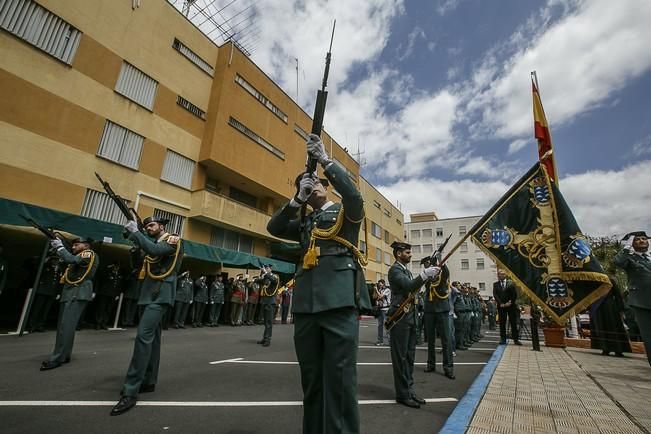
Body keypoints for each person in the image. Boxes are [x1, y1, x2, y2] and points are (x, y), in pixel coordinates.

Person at [267, 134, 371, 433]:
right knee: (311, 381)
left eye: (316, 184)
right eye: (307, 185)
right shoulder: (305, 223)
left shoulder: (344, 214)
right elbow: (273, 227)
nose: (313, 188)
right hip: (306, 306)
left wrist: (326, 161)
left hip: (338, 302)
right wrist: (297, 198)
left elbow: (354, 197)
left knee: (339, 383)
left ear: (327, 186)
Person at [111, 216, 183, 416]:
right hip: (147, 293)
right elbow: (137, 264)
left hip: (160, 293)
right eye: (146, 226)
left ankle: (131, 390)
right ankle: (149, 381)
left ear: (161, 226)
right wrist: (133, 241)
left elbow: (156, 251)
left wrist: (136, 233)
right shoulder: (149, 242)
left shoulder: (172, 240)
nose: (148, 228)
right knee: (153, 340)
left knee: (143, 337)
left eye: (151, 225)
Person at [387, 241, 440, 409]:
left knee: (409, 357)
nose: (410, 255)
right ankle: (402, 394)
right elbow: (410, 286)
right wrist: (424, 275)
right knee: (400, 358)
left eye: (410, 252)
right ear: (398, 254)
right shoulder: (394, 270)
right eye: (407, 252)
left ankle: (409, 390)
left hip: (410, 317)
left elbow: (414, 289)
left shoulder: (407, 271)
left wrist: (428, 276)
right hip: (400, 318)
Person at [40, 237, 98, 370]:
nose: (73, 247)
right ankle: (64, 354)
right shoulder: (80, 254)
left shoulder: (88, 253)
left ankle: (57, 358)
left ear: (86, 246)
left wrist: (60, 248)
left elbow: (72, 260)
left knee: (65, 327)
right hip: (72, 291)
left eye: (77, 245)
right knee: (67, 326)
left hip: (76, 292)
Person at [614, 231, 651, 366]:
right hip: (642, 302)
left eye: (644, 238)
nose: (642, 241)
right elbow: (617, 262)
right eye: (637, 239)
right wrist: (627, 247)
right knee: (649, 335)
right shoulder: (629, 258)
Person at [421, 257, 455, 379]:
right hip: (429, 310)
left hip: (442, 310)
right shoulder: (426, 277)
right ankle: (431, 364)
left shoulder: (441, 275)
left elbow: (445, 273)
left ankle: (448, 367)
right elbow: (424, 280)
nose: (427, 267)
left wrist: (442, 263)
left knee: (446, 340)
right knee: (430, 340)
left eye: (429, 264)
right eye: (426, 265)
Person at [590, 275, 631, 357]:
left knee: (614, 327)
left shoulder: (610, 280)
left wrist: (620, 308)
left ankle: (619, 350)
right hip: (598, 308)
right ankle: (605, 348)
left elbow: (618, 295)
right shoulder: (592, 281)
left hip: (611, 308)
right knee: (601, 327)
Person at [28, 255, 63, 333]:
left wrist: (58, 292)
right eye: (54, 260)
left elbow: (60, 282)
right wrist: (44, 261)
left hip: (52, 292)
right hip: (42, 290)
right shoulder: (45, 267)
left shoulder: (59, 270)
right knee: (37, 309)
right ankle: (32, 325)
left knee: (45, 310)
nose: (56, 262)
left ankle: (40, 325)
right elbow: (36, 269)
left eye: (57, 260)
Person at [493, 269, 522, 345]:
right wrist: (500, 303)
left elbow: (514, 294)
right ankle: (503, 339)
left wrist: (510, 302)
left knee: (513, 323)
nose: (501, 275)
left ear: (505, 275)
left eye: (502, 274)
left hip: (511, 306)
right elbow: (495, 295)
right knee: (502, 323)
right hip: (501, 307)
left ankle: (516, 339)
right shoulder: (495, 284)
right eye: (499, 274)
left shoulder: (511, 283)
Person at [256, 264, 279, 347]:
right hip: (265, 301)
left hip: (270, 302)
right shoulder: (266, 276)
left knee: (269, 322)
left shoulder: (275, 276)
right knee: (265, 322)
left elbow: (274, 281)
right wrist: (262, 274)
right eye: (265, 268)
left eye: (267, 268)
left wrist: (266, 273)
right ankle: (265, 338)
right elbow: (257, 281)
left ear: (271, 269)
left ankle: (268, 339)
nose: (266, 269)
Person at [95, 263, 122, 330]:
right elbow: (101, 276)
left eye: (117, 267)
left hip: (112, 295)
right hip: (104, 293)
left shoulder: (118, 275)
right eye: (115, 267)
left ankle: (104, 323)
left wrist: (117, 294)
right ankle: (98, 323)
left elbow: (119, 286)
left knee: (108, 309)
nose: (116, 268)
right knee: (101, 308)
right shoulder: (107, 273)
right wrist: (108, 267)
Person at [375, 279, 391, 345]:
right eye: (378, 284)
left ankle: (390, 341)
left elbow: (381, 296)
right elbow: (375, 297)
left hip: (386, 309)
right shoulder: (380, 290)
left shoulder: (387, 290)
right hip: (380, 309)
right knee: (380, 325)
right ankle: (380, 341)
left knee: (387, 325)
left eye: (380, 283)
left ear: (383, 283)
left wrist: (376, 290)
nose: (379, 285)